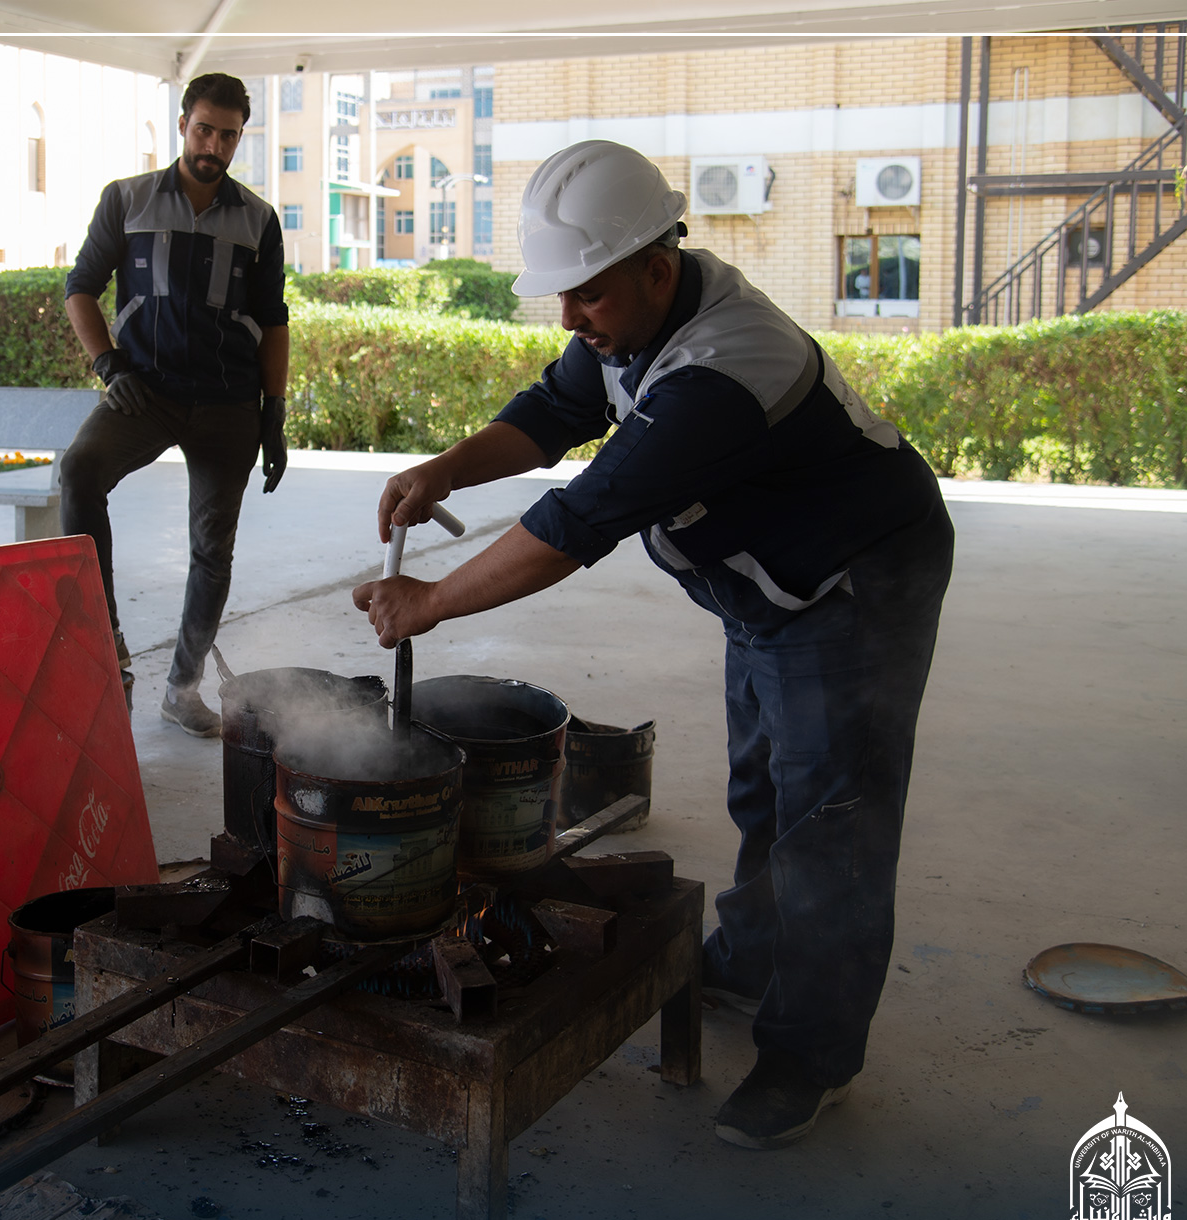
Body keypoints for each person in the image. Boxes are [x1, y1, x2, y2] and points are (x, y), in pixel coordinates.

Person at [353, 140, 954, 1150]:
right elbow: (557, 408)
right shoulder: (630, 312)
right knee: (765, 787)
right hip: (768, 585)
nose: (569, 318)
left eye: (583, 295)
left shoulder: (723, 371)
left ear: (656, 269)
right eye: (564, 295)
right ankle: (754, 958)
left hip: (852, 586)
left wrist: (432, 602)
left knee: (831, 820)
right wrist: (445, 468)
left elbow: (579, 519)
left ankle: (811, 1056)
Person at [61, 73, 290, 736]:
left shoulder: (258, 219)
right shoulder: (126, 199)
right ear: (183, 124)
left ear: (240, 137)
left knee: (212, 550)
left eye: (228, 135)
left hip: (227, 403)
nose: (213, 145)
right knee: (79, 471)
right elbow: (80, 288)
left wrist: (273, 414)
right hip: (146, 391)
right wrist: (108, 364)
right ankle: (105, 636)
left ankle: (182, 688)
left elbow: (273, 320)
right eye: (204, 129)